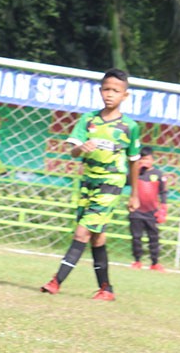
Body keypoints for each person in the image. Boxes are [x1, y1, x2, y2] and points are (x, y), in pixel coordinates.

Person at [41, 68, 142, 301]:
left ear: (125, 95)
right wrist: (81, 148)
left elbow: (134, 161)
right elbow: (73, 151)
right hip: (89, 182)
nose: (110, 94)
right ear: (100, 91)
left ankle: (56, 281)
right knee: (97, 237)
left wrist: (134, 194)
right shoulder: (88, 120)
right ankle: (106, 289)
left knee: (82, 231)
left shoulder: (129, 126)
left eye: (115, 91)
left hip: (111, 183)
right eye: (106, 89)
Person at [128, 145, 169, 271]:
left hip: (151, 212)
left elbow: (163, 192)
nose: (144, 162)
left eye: (147, 159)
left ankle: (155, 263)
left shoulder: (158, 174)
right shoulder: (135, 173)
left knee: (153, 237)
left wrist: (163, 209)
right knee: (136, 237)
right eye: (142, 159)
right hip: (136, 211)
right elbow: (124, 182)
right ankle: (137, 261)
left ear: (152, 160)